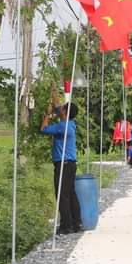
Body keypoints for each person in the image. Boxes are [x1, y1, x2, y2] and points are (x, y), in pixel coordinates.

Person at [41, 100, 83, 235]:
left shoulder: (62, 126)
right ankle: (76, 223)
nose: (60, 109)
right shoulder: (71, 124)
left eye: (63, 108)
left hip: (63, 165)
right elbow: (59, 108)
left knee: (62, 195)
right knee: (71, 193)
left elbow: (43, 129)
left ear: (65, 112)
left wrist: (47, 116)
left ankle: (66, 226)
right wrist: (54, 99)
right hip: (70, 164)